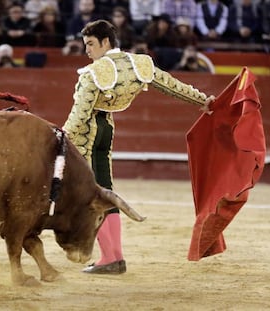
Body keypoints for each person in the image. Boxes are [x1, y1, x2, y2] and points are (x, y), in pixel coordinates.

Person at [62, 20, 212, 274]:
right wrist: (203, 100)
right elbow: (172, 86)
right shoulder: (138, 63)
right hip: (106, 130)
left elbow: (79, 116)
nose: (86, 51)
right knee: (105, 190)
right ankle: (115, 256)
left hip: (87, 133)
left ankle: (108, 258)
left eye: (90, 44)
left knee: (86, 196)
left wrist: (61, 137)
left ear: (105, 41)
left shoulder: (92, 73)